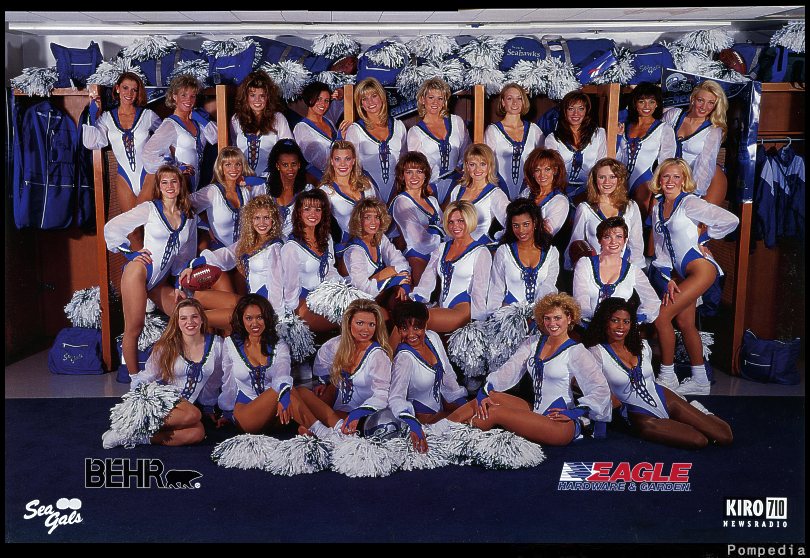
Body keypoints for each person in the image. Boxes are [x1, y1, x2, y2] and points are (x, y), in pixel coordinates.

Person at [445, 293, 611, 446]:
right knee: (488, 398)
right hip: (535, 411)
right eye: (547, 318)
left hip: (560, 422)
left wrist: (575, 412)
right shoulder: (533, 343)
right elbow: (510, 369)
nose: (552, 323)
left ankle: (453, 442)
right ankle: (440, 430)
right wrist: (487, 389)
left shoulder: (577, 351)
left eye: (557, 318)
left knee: (495, 412)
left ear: (569, 318)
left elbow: (600, 389)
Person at [584, 297, 733, 449]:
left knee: (724, 436)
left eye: (626, 321)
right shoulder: (596, 353)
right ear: (604, 322)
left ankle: (697, 409)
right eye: (615, 320)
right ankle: (680, 420)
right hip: (638, 414)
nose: (621, 326)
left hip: (664, 397)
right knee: (699, 440)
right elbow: (594, 389)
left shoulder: (642, 345)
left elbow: (651, 378)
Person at [649, 158, 739, 395]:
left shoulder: (690, 202)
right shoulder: (657, 206)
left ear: (684, 180)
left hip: (700, 268)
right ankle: (700, 379)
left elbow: (731, 220)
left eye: (676, 177)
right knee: (684, 323)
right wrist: (668, 277)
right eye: (666, 176)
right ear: (659, 179)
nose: (670, 181)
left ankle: (667, 376)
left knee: (661, 317)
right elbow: (661, 248)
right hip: (678, 272)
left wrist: (704, 239)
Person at [104, 164, 198, 381]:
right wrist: (130, 253)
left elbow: (185, 255)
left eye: (174, 181)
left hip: (160, 281)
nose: (169, 186)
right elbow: (112, 227)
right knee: (134, 327)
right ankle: (134, 381)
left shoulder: (189, 215)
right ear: (159, 186)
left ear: (180, 184)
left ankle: (181, 372)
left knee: (185, 318)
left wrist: (178, 285)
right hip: (139, 272)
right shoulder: (150, 208)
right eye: (164, 182)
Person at [102, 299, 223, 448]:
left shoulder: (217, 344)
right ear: (177, 322)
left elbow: (214, 380)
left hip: (188, 407)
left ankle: (139, 438)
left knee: (197, 433)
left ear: (202, 319)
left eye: (194, 316)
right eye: (183, 318)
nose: (190, 322)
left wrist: (209, 406)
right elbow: (148, 376)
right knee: (194, 415)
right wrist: (136, 404)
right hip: (162, 399)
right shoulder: (166, 345)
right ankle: (128, 428)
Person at [218, 294, 319, 434]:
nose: (255, 323)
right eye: (249, 318)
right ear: (241, 319)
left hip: (275, 414)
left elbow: (283, 370)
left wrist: (284, 391)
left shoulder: (279, 344)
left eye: (260, 317)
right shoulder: (230, 344)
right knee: (284, 387)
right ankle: (320, 431)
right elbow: (228, 381)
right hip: (247, 415)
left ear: (267, 318)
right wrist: (226, 411)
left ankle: (336, 428)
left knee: (302, 392)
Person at [182, 195, 284, 331]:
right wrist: (192, 265)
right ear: (250, 220)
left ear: (273, 220)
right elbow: (225, 255)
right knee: (200, 296)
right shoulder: (249, 242)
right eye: (257, 218)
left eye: (266, 217)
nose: (262, 223)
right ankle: (223, 337)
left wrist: (275, 319)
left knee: (198, 318)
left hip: (263, 308)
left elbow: (278, 285)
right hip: (250, 301)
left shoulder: (276, 246)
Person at [294, 299, 394, 435]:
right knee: (300, 392)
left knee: (305, 430)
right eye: (360, 323)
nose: (366, 330)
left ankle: (338, 431)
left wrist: (360, 412)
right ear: (348, 323)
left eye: (371, 324)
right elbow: (322, 360)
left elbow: (382, 395)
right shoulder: (337, 344)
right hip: (337, 405)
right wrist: (323, 382)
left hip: (361, 414)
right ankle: (336, 431)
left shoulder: (378, 356)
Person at [388, 301, 468, 453]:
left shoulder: (433, 338)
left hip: (442, 411)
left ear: (425, 325)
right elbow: (395, 397)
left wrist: (461, 403)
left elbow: (447, 375)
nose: (411, 334)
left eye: (416, 327)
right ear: (398, 330)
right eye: (404, 328)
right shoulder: (404, 358)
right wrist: (413, 424)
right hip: (425, 422)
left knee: (480, 409)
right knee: (475, 418)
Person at [83, 71, 162, 221]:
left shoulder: (148, 115)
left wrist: (172, 163)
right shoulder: (106, 118)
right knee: (131, 228)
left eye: (134, 90)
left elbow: (168, 138)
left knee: (146, 223)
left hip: (149, 175)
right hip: (124, 177)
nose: (129, 93)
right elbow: (92, 143)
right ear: (117, 88)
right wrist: (92, 117)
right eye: (125, 88)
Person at [411, 200, 492, 333]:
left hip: (463, 309)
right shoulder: (441, 248)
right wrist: (417, 300)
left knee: (413, 320)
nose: (455, 226)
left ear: (470, 220)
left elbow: (480, 290)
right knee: (404, 318)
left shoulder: (481, 252)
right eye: (451, 222)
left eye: (461, 221)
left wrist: (479, 323)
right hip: (443, 306)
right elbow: (427, 279)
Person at [572, 216, 660, 325]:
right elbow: (580, 299)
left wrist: (631, 321)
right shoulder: (585, 264)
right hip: (589, 327)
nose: (613, 241)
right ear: (599, 240)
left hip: (620, 330)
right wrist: (590, 323)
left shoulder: (633, 271)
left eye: (619, 236)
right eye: (607, 237)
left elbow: (653, 302)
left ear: (625, 240)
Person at [565, 157, 645, 270]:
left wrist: (634, 272)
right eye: (602, 177)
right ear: (594, 180)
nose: (607, 182)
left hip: (623, 270)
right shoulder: (585, 209)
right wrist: (574, 270)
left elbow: (636, 245)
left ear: (619, 180)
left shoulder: (631, 207)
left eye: (612, 177)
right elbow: (575, 243)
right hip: (593, 271)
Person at [143, 74, 218, 192]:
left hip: (200, 183)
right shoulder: (170, 124)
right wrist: (175, 169)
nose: (188, 100)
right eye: (183, 95)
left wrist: (199, 118)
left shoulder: (197, 122)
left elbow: (216, 137)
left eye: (192, 96)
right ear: (174, 96)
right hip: (181, 184)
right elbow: (148, 154)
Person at [280, 189, 341, 333]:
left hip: (325, 296)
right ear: (299, 213)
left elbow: (330, 269)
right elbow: (290, 288)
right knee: (352, 319)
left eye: (317, 209)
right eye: (307, 209)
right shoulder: (291, 247)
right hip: (301, 302)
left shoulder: (327, 238)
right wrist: (291, 318)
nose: (313, 214)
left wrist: (339, 292)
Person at [662, 80, 728, 206]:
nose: (704, 107)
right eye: (700, 100)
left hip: (702, 178)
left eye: (710, 103)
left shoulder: (714, 130)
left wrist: (693, 193)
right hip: (671, 175)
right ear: (693, 99)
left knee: (694, 215)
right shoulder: (673, 115)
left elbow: (705, 164)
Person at [406, 77, 471, 205]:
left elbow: (467, 151)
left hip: (457, 184)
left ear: (444, 101)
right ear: (422, 99)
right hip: (429, 188)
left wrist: (461, 173)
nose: (435, 102)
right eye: (431, 97)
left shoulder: (456, 122)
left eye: (440, 98)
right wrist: (426, 187)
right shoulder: (415, 132)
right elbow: (414, 166)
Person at [616, 82, 676, 219]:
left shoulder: (664, 129)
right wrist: (618, 136)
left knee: (638, 215)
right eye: (642, 101)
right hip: (619, 178)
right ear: (635, 103)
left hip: (643, 179)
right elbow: (615, 155)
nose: (647, 106)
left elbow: (666, 163)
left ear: (657, 104)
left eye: (651, 102)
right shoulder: (623, 125)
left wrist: (658, 190)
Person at [344, 77, 407, 205]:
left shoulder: (399, 126)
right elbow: (352, 167)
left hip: (398, 193)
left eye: (374, 96)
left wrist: (400, 190)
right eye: (364, 99)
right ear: (360, 104)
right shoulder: (355, 130)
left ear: (382, 97)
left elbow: (405, 163)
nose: (370, 102)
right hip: (368, 193)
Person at [488, 199, 559, 311]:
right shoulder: (504, 251)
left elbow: (549, 286)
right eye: (516, 225)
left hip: (542, 312)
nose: (521, 230)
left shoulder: (552, 253)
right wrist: (493, 315)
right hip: (509, 312)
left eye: (526, 224)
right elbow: (496, 288)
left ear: (535, 222)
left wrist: (537, 314)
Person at [344, 198, 411, 313]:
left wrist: (402, 285)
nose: (373, 222)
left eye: (377, 217)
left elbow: (402, 263)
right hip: (354, 299)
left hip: (376, 293)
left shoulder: (380, 238)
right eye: (368, 217)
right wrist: (393, 280)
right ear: (359, 220)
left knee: (402, 300)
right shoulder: (355, 251)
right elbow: (362, 289)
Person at [191, 146, 262, 253]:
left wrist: (249, 180)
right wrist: (203, 225)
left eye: (238, 164)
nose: (234, 169)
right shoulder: (212, 191)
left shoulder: (246, 190)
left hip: (245, 250)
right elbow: (182, 205)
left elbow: (269, 183)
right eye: (228, 165)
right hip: (219, 251)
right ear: (221, 167)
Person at [389, 151, 444, 286]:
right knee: (421, 295)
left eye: (419, 171)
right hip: (417, 255)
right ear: (402, 176)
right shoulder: (401, 201)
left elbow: (448, 229)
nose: (414, 177)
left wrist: (437, 231)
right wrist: (439, 231)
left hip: (438, 254)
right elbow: (418, 240)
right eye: (409, 172)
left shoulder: (432, 201)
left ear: (426, 175)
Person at [319, 140, 376, 264]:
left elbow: (378, 215)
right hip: (347, 249)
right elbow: (322, 229)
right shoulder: (325, 191)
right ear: (332, 161)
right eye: (337, 159)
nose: (343, 164)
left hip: (373, 244)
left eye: (347, 159)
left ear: (354, 161)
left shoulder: (366, 184)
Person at [484, 82, 544, 200]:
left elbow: (544, 162)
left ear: (523, 101)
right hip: (499, 191)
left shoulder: (534, 130)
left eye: (519, 98)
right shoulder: (493, 130)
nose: (515, 103)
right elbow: (486, 163)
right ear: (503, 102)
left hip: (528, 191)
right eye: (510, 98)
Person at [544, 90, 607, 200]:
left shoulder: (599, 134)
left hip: (591, 192)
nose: (576, 113)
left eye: (581, 108)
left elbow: (602, 165)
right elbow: (550, 171)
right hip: (560, 193)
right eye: (571, 109)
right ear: (564, 111)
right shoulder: (552, 138)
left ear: (586, 111)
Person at [230, 70, 293, 178]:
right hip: (242, 180)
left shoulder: (278, 118)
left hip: (270, 179)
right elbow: (233, 151)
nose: (257, 100)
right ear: (246, 97)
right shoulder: (236, 119)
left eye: (262, 95)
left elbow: (289, 150)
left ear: (268, 97)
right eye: (253, 95)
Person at [447, 143, 509, 244]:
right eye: (472, 165)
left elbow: (511, 223)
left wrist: (493, 242)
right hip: (457, 246)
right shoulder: (457, 190)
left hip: (480, 248)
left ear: (490, 166)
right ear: (467, 166)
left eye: (483, 164)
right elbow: (449, 221)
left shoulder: (495, 194)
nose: (477, 169)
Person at [263, 139, 313, 240]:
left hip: (296, 245)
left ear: (299, 165)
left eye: (294, 164)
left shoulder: (308, 190)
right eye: (285, 165)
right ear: (277, 166)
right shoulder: (264, 189)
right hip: (269, 244)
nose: (290, 169)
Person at [293, 81, 340, 183]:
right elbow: (317, 160)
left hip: (339, 175)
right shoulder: (301, 127)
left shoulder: (329, 122)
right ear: (310, 99)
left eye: (326, 100)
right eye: (318, 99)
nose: (323, 104)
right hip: (319, 180)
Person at [519, 147, 571, 238]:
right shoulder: (527, 192)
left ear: (555, 170)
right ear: (532, 173)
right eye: (537, 170)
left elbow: (546, 233)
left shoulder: (560, 201)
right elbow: (513, 219)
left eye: (547, 169)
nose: (542, 175)